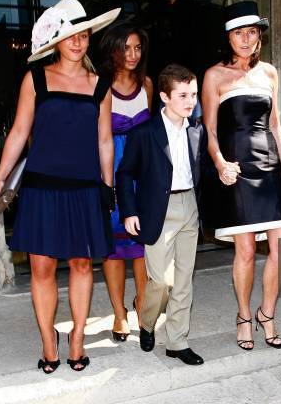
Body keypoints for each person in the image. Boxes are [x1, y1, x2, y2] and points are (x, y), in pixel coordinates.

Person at [0, 0, 119, 373]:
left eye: (83, 35)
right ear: (56, 41)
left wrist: (107, 186)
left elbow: (105, 141)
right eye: (70, 36)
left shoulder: (101, 85)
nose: (78, 42)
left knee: (82, 264)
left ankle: (77, 338)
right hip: (41, 188)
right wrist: (2, 174)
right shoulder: (35, 79)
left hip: (83, 187)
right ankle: (49, 341)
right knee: (42, 268)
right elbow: (19, 130)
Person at [202, 1, 281, 351]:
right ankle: (243, 316)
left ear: (259, 37)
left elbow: (276, 124)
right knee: (245, 251)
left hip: (269, 167)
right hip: (237, 169)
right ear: (229, 37)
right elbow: (208, 130)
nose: (245, 38)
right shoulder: (214, 75)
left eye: (252, 31)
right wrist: (221, 163)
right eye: (238, 32)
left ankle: (266, 313)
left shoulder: (269, 73)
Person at [117, 64, 207, 366]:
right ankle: (146, 322)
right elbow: (125, 172)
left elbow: (201, 171)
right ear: (165, 97)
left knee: (184, 281)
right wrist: (128, 212)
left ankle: (177, 342)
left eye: (193, 95)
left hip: (189, 207)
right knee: (161, 281)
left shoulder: (197, 129)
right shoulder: (145, 133)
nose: (190, 101)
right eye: (183, 95)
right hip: (158, 211)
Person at [99, 24, 153, 342]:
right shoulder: (101, 86)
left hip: (142, 173)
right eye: (126, 48)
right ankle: (119, 313)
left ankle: (143, 304)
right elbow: (100, 138)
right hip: (112, 169)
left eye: (137, 48)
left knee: (143, 246)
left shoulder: (146, 84)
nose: (132, 55)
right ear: (113, 50)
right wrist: (106, 185)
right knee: (115, 247)